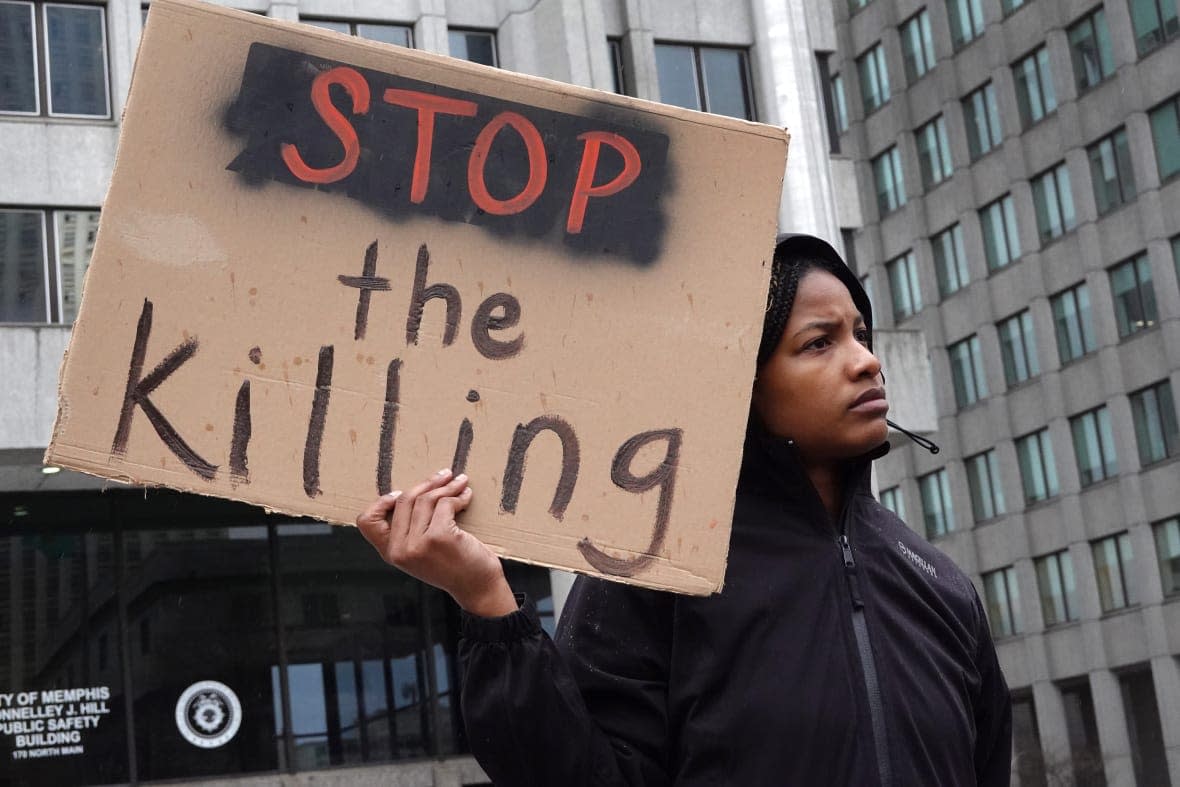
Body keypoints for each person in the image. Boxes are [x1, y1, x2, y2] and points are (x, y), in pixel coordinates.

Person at [356, 234, 1012, 786]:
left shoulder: (940, 586)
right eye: (820, 342)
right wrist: (487, 602)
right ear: (741, 382)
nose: (867, 362)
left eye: (861, 334)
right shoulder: (659, 565)